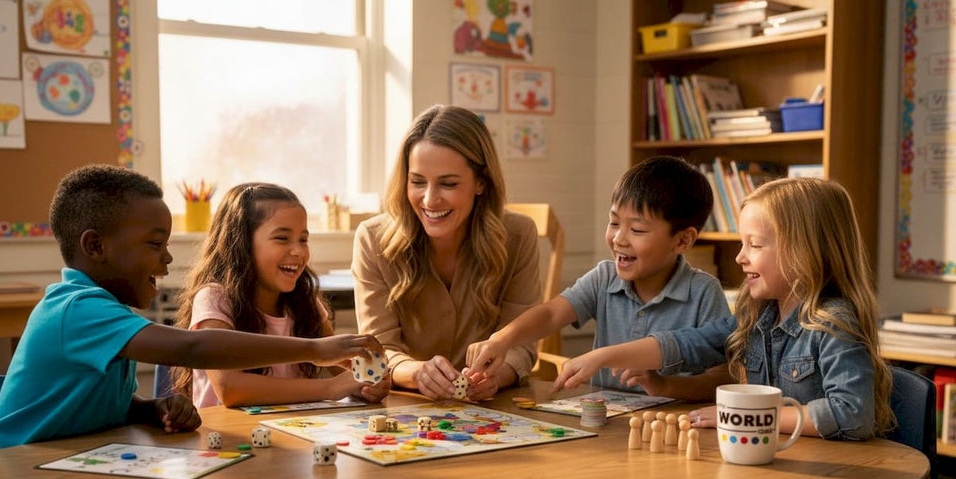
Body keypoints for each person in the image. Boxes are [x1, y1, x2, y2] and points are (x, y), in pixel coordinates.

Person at [0, 165, 384, 452]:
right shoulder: (75, 310)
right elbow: (192, 348)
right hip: (9, 468)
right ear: (95, 247)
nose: (167, 260)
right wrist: (315, 349)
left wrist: (150, 409)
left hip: (62, 462)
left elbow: (87, 407)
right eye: (155, 245)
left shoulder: (105, 313)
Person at [552, 177, 894, 440]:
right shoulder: (757, 314)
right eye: (741, 243)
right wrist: (605, 357)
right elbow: (691, 343)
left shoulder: (833, 323)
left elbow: (852, 414)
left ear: (804, 252)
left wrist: (742, 415)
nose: (740, 257)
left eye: (755, 245)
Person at [467, 156, 732, 394]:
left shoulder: (703, 292)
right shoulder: (604, 278)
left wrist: (664, 385)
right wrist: (501, 339)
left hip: (669, 428)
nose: (618, 238)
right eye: (614, 222)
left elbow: (721, 381)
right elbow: (550, 314)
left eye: (637, 230)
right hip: (604, 421)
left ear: (683, 241)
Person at [351, 104, 541, 401]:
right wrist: (416, 372)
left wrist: (494, 378)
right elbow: (379, 349)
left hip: (493, 410)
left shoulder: (519, 235)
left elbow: (521, 343)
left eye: (448, 184)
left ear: (481, 183)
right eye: (417, 181)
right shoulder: (372, 240)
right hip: (406, 408)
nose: (429, 199)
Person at [171, 183, 390, 407]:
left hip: (290, 433)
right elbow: (229, 388)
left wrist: (368, 381)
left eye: (303, 239)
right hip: (228, 436)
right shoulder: (214, 299)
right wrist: (330, 388)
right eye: (282, 238)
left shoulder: (305, 300)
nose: (298, 251)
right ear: (242, 244)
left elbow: (341, 365)